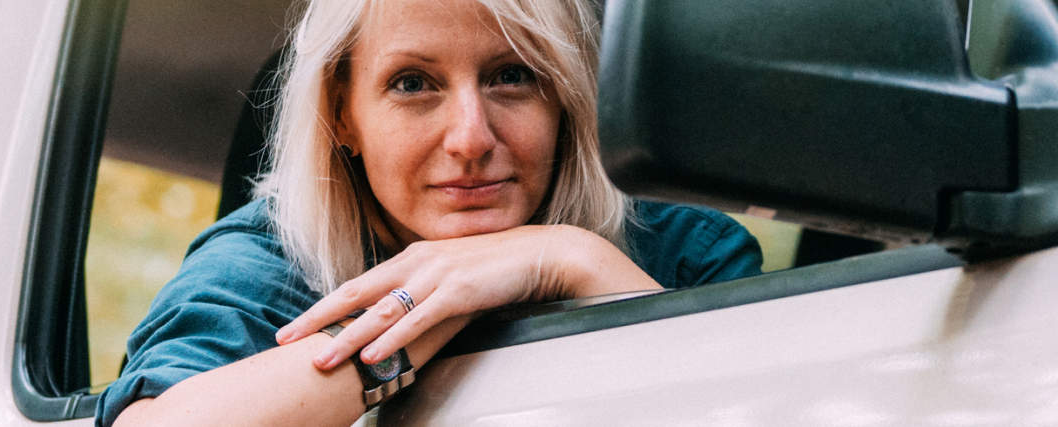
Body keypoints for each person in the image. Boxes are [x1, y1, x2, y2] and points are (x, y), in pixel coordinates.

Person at [97, 0, 762, 425]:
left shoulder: (682, 249)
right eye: (413, 83)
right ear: (342, 116)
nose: (470, 137)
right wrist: (431, 308)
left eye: (513, 75)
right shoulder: (266, 265)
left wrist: (569, 259)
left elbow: (767, 404)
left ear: (566, 97)